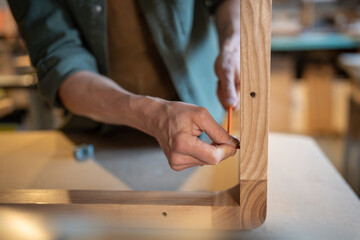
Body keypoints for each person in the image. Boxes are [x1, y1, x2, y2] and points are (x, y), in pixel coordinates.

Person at [8, 0, 240, 171]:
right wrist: (153, 114)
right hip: (101, 135)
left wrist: (233, 44)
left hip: (202, 122)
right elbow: (60, 60)